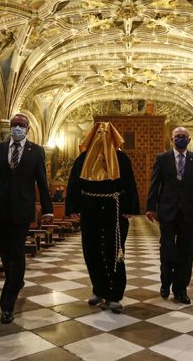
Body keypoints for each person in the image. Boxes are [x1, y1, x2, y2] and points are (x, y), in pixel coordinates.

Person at [0, 113, 53, 324]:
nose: (17, 128)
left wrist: (47, 209)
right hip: (1, 209)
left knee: (16, 252)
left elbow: (42, 182)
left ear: (28, 129)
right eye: (15, 124)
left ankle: (7, 303)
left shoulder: (37, 151)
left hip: (23, 210)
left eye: (21, 125)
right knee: (6, 253)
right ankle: (16, 280)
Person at [65, 122, 139, 313]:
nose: (102, 136)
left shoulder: (122, 159)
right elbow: (73, 184)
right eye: (99, 133)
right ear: (92, 135)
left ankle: (114, 294)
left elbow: (130, 184)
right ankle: (99, 289)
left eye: (106, 133)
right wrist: (73, 207)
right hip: (90, 209)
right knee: (91, 250)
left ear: (113, 136)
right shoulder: (82, 159)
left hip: (115, 209)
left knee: (115, 252)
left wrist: (130, 207)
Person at [145, 127, 193, 304]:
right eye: (177, 137)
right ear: (171, 139)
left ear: (189, 140)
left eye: (183, 137)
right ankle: (166, 282)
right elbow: (155, 184)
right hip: (167, 211)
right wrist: (150, 207)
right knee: (167, 248)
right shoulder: (163, 158)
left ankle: (181, 289)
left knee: (186, 251)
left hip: (188, 212)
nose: (180, 139)